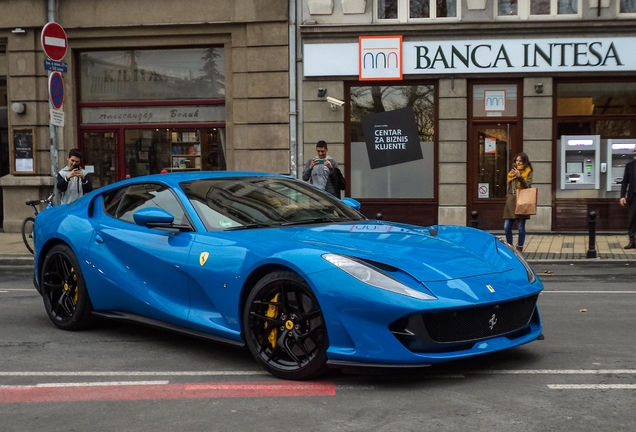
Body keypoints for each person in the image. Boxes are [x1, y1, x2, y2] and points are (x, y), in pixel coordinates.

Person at [503, 152, 533, 253]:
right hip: (511, 201)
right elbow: (510, 186)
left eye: (520, 161)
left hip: (522, 201)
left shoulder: (528, 171)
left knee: (520, 227)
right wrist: (507, 197)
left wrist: (520, 176)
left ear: (524, 161)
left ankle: (519, 248)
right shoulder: (512, 172)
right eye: (517, 160)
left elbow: (527, 186)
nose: (518, 162)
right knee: (506, 226)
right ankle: (510, 247)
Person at [619, 146, 636, 249]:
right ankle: (632, 240)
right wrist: (622, 196)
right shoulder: (629, 165)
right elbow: (625, 182)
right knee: (632, 218)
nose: (634, 152)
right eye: (634, 150)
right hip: (633, 196)